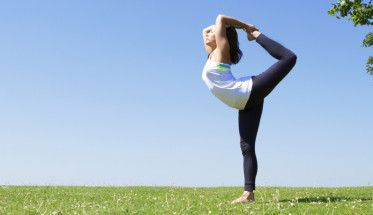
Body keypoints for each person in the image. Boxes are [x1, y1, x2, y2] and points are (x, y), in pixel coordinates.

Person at [202, 15, 297, 204]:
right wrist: (220, 28)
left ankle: (258, 35)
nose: (208, 33)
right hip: (245, 103)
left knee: (289, 58)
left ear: (222, 36)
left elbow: (220, 18)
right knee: (247, 148)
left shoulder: (222, 49)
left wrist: (247, 28)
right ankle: (248, 195)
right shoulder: (211, 53)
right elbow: (204, 30)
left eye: (214, 31)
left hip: (248, 91)